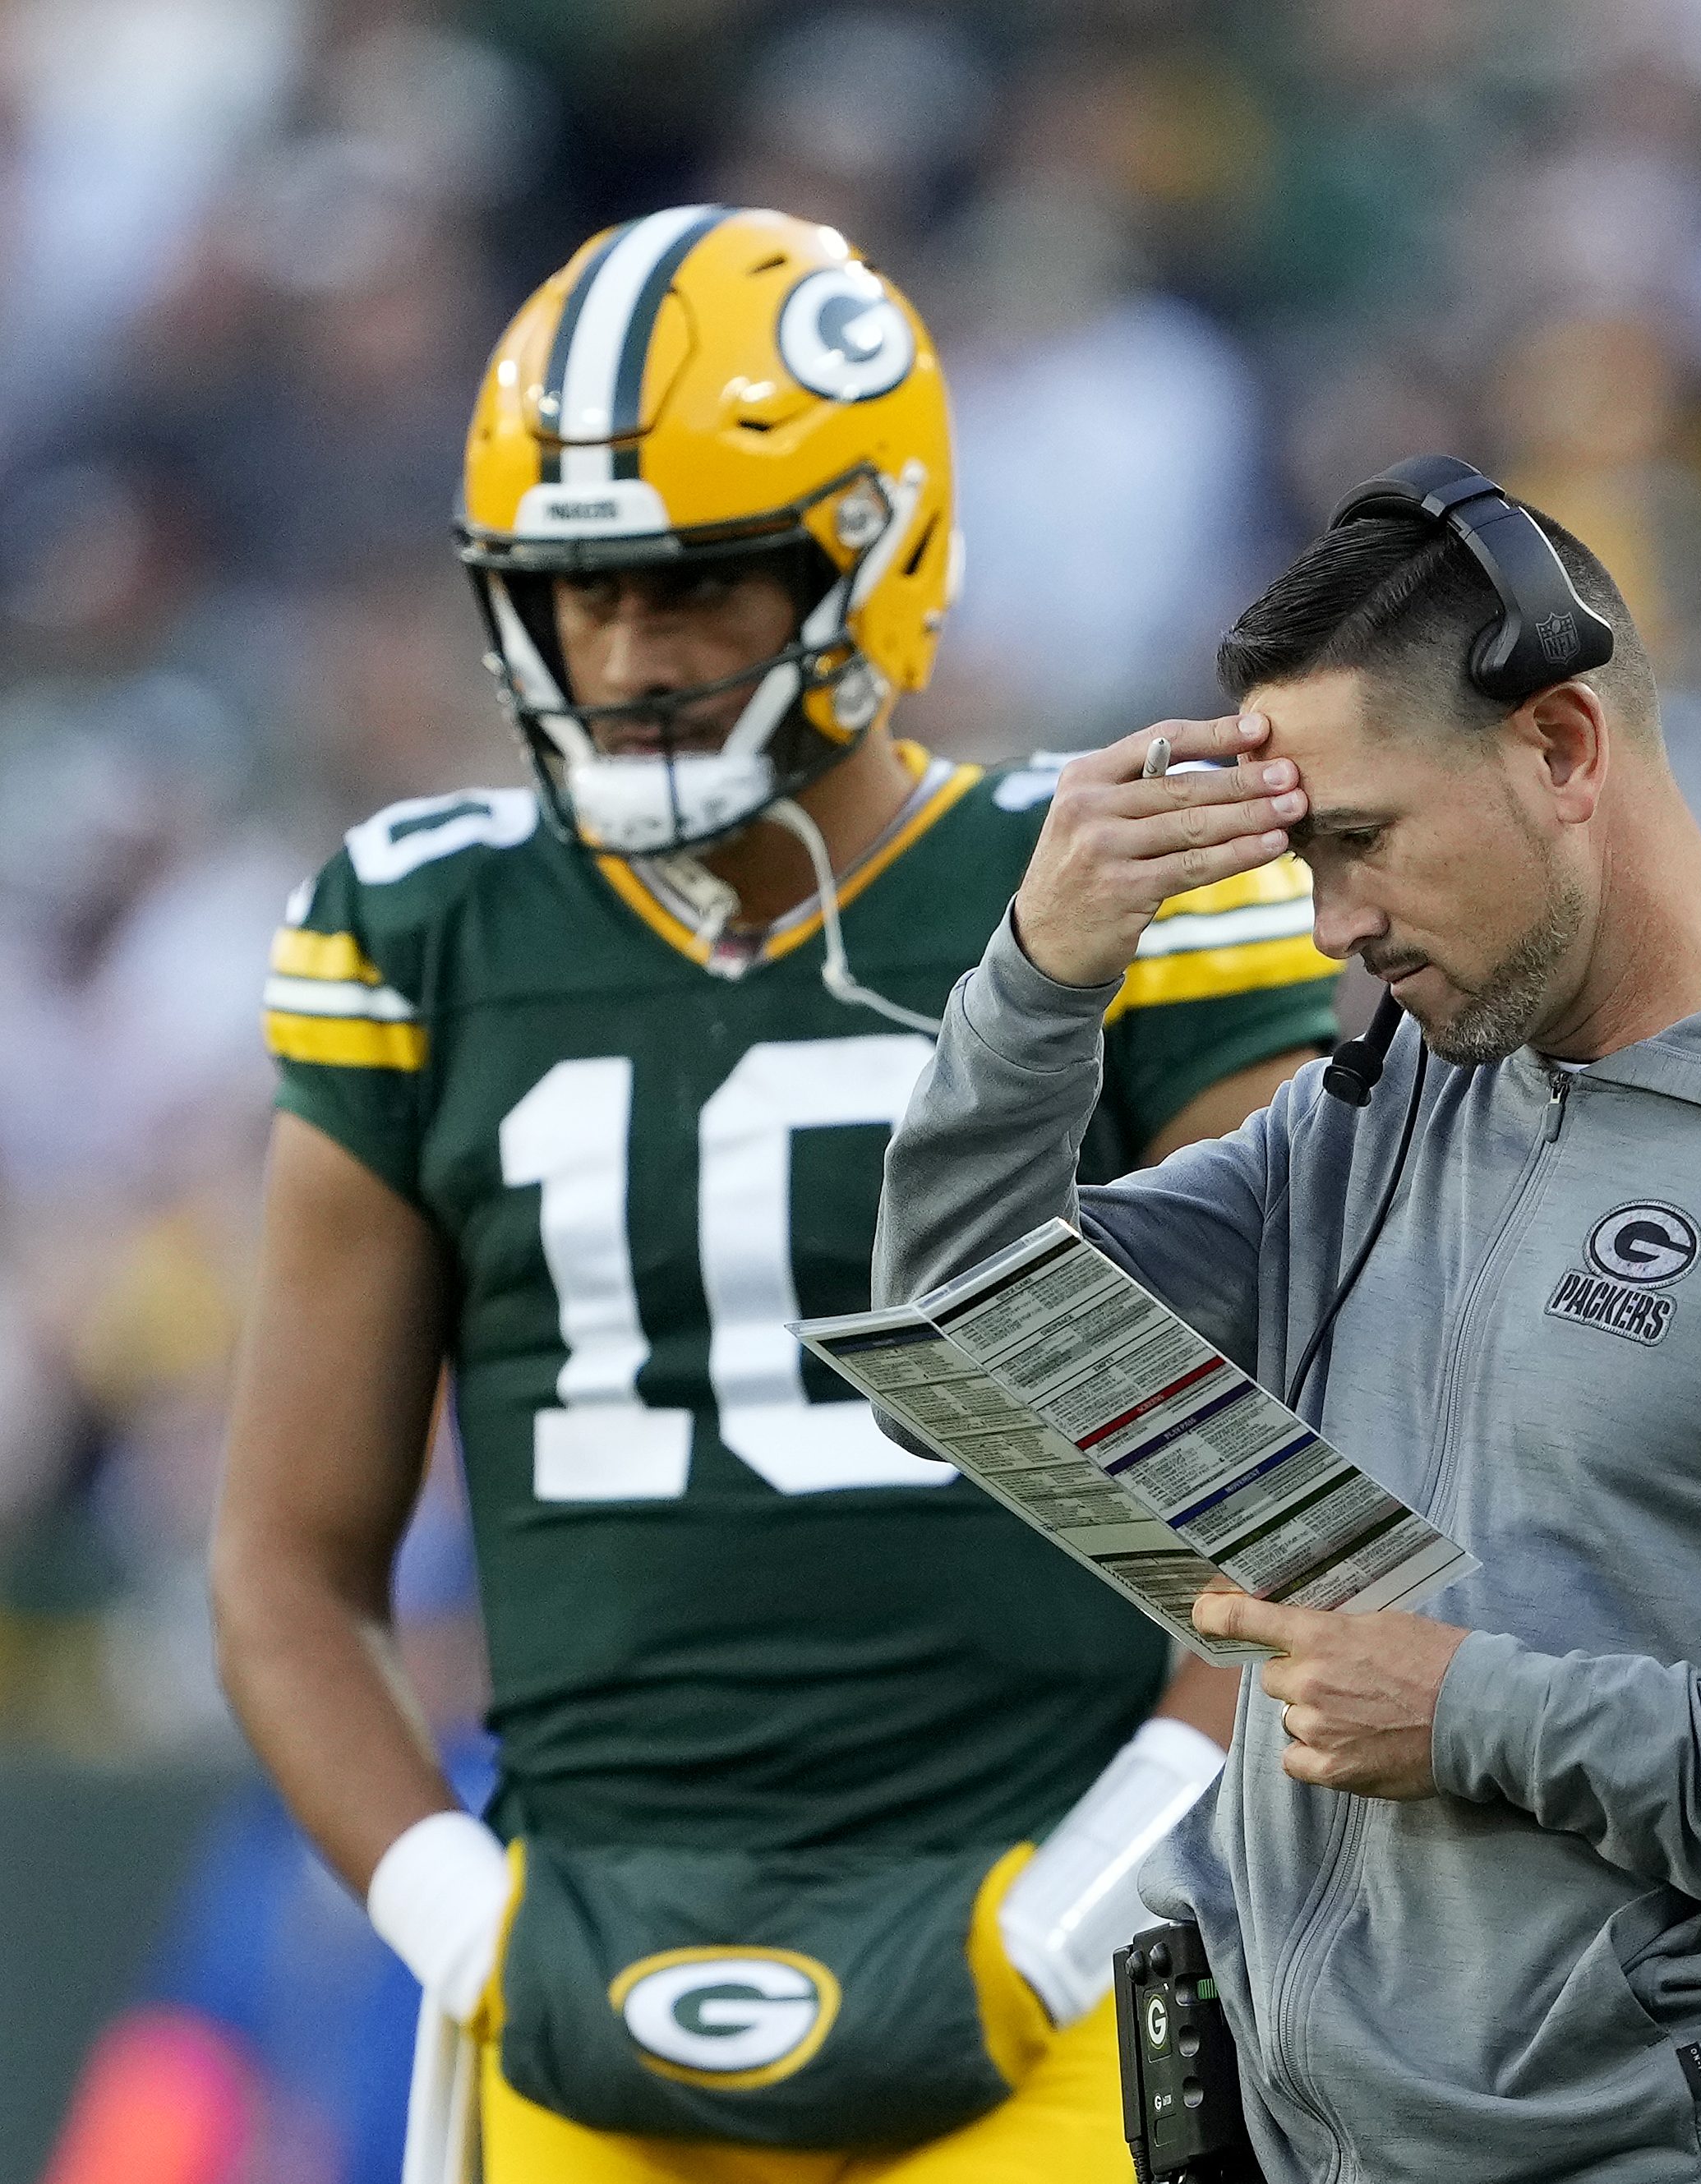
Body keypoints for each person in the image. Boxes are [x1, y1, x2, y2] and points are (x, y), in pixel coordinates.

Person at [207, 206, 1339, 2183]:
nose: (629, 659)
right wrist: (464, 1933)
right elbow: (289, 1564)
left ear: (874, 559)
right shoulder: (424, 926)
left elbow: (1299, 1517)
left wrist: (1082, 1910)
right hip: (591, 1966)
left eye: (700, 586)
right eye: (579, 596)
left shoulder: (1122, 892)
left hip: (1051, 1946)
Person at [871, 459, 1701, 2182]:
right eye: (1305, 859)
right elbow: (961, 1345)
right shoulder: (1379, 1119)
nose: (1334, 923)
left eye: (1360, 840)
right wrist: (1038, 975)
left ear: (1560, 748)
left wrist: (1475, 1712)